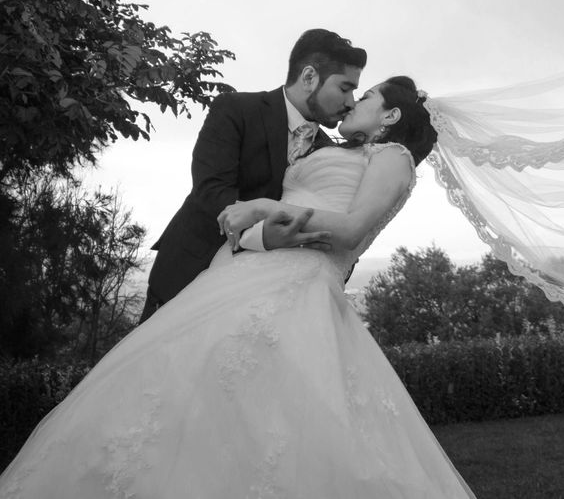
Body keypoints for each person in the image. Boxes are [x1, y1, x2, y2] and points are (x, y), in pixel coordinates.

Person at [0, 76, 476, 498]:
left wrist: (263, 206)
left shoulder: (393, 158)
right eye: (351, 88)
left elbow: (351, 231)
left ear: (391, 115)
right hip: (240, 272)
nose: (355, 99)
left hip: (298, 289)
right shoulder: (332, 147)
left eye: (367, 94)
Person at [140, 28, 366, 323]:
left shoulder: (328, 152)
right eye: (345, 88)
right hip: (191, 270)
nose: (351, 102)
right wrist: (259, 235)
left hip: (259, 297)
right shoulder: (235, 109)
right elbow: (211, 189)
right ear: (309, 77)